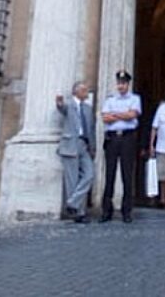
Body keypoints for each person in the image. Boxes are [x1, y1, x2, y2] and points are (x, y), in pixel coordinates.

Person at [98, 68, 141, 223]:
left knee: (127, 175)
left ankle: (126, 211)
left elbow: (133, 115)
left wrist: (114, 114)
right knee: (109, 174)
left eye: (123, 83)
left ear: (128, 84)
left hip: (128, 138)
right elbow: (105, 118)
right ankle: (106, 210)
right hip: (112, 139)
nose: (121, 86)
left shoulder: (135, 99)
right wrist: (124, 115)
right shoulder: (110, 99)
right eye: (119, 83)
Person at [55, 80, 95, 223]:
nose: (86, 92)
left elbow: (91, 129)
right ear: (75, 92)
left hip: (84, 145)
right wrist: (59, 102)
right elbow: (61, 108)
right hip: (70, 144)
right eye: (84, 90)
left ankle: (72, 203)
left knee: (90, 174)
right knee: (72, 180)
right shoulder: (69, 105)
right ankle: (79, 213)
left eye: (87, 90)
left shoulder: (88, 109)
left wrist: (92, 147)